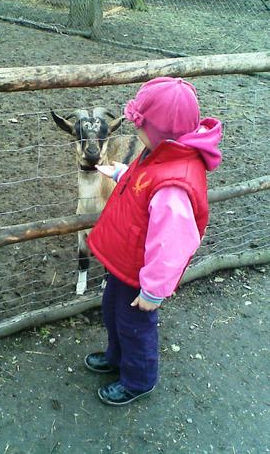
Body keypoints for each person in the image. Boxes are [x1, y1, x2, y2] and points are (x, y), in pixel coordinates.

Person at [85, 76, 223, 406]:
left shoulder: (174, 186)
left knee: (135, 325)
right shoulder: (160, 152)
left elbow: (172, 244)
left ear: (160, 130)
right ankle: (117, 358)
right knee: (113, 311)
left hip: (142, 273)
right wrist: (121, 173)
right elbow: (142, 185)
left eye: (140, 124)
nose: (134, 128)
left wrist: (154, 290)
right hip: (125, 262)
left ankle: (138, 379)